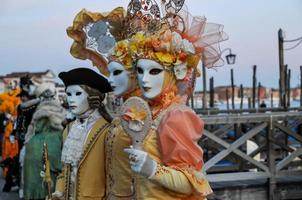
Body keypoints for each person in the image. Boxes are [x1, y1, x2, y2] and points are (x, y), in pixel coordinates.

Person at [120, 0, 227, 198]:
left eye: (154, 71)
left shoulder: (176, 116)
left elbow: (194, 181)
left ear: (173, 73)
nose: (144, 79)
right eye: (140, 71)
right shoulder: (147, 110)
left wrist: (153, 170)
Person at [53, 68, 113, 200]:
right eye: (69, 94)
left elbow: (113, 176)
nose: (71, 100)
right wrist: (58, 191)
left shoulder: (107, 130)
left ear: (93, 96)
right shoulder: (69, 129)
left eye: (78, 93)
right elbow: (65, 169)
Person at [23, 82, 65, 200]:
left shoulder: (38, 111)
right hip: (48, 147)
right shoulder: (57, 131)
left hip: (34, 147)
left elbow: (34, 127)